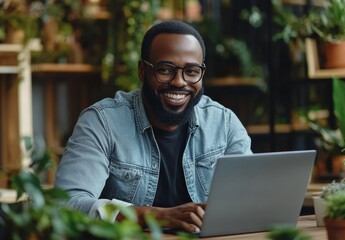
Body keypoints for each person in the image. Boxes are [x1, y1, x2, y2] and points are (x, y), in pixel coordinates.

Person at [54, 20, 252, 233]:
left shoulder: (224, 123)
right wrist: (155, 216)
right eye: (165, 70)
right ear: (142, 71)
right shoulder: (103, 122)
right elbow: (65, 205)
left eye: (192, 71)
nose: (179, 82)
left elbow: (254, 198)